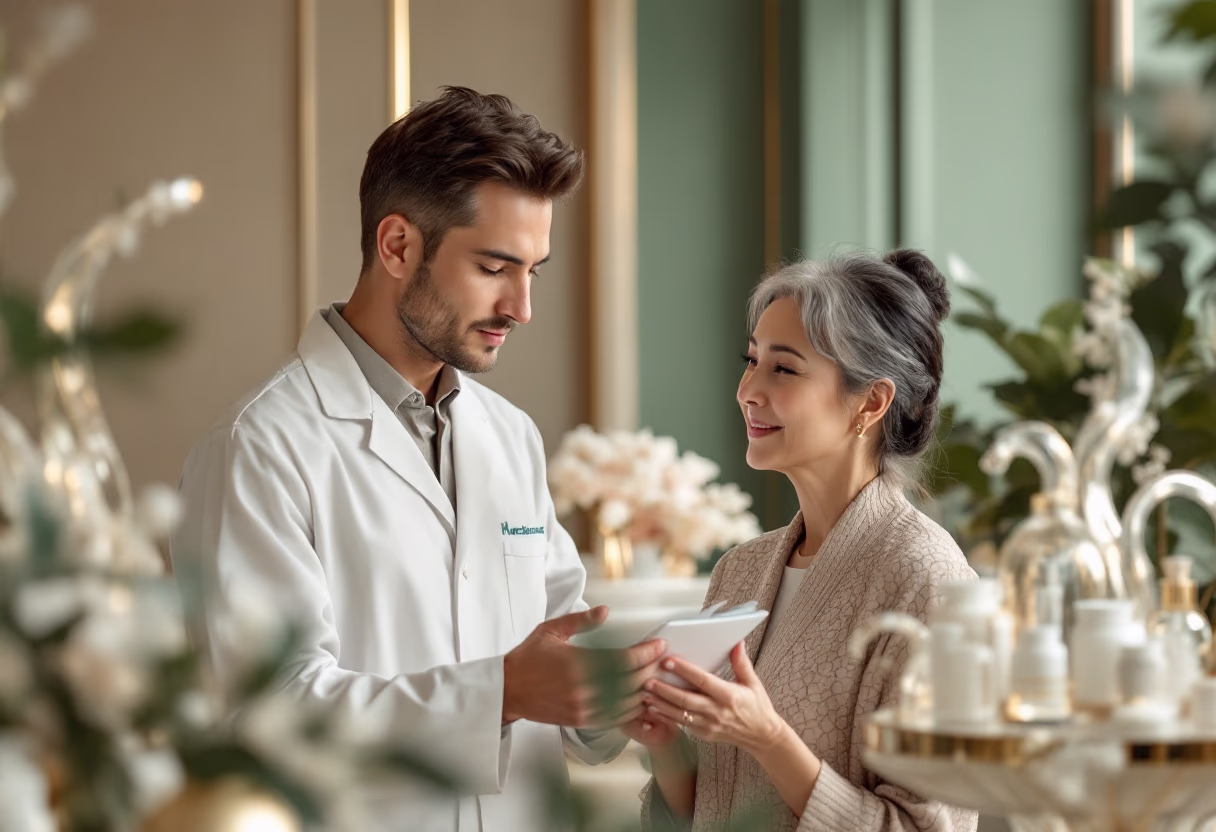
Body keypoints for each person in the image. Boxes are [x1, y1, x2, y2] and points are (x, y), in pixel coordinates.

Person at [171, 87, 664, 832]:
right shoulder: (260, 447)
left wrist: (629, 690)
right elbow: (265, 721)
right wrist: (498, 692)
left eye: (534, 270)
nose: (522, 307)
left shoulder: (509, 438)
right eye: (496, 267)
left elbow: (555, 656)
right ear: (397, 246)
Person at [628, 250, 979, 831]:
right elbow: (708, 808)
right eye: (751, 361)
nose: (748, 390)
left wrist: (769, 738)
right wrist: (666, 744)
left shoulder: (931, 585)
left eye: (783, 369)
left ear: (870, 402)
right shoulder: (740, 571)